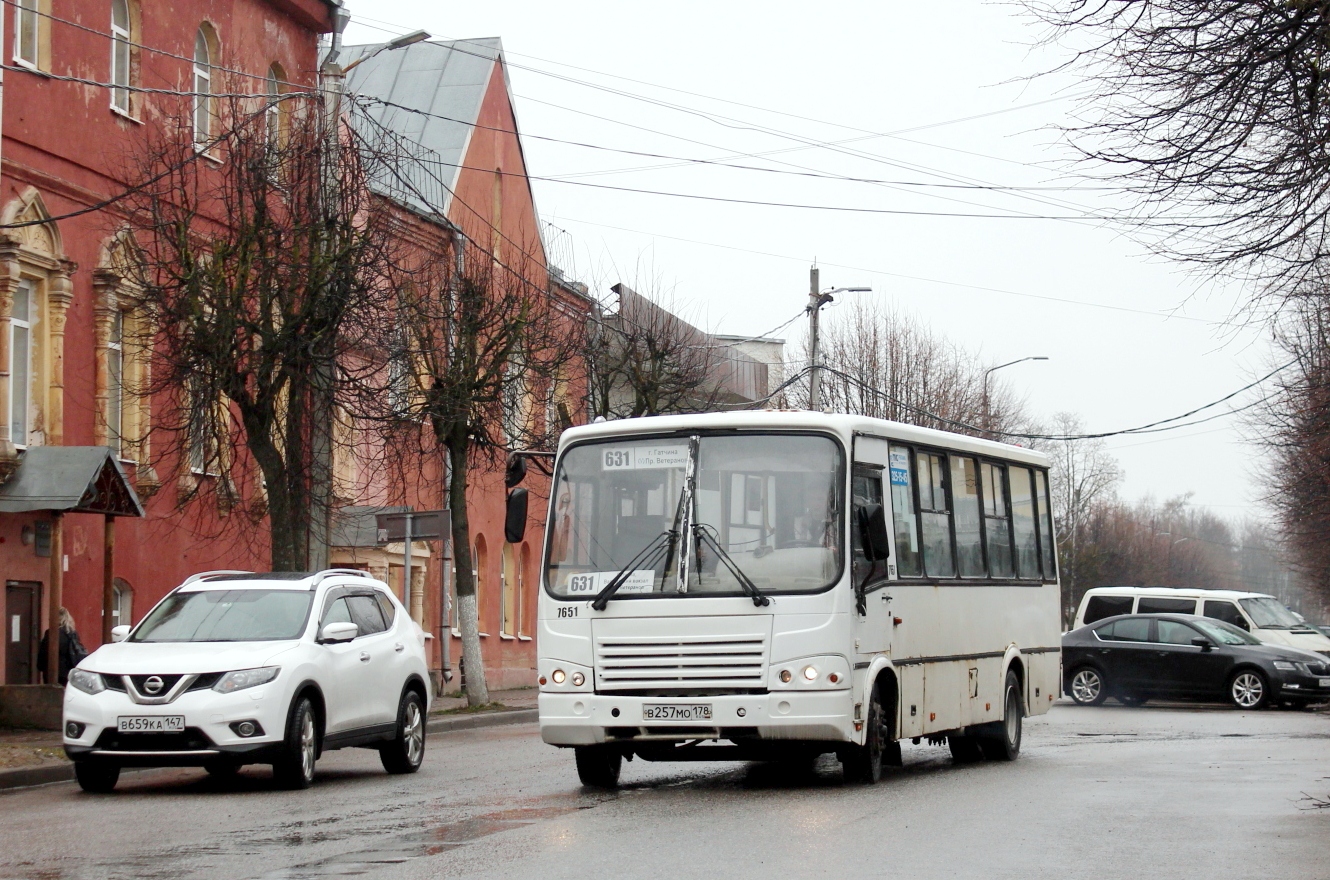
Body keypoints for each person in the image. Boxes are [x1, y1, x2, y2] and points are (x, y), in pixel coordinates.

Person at [38, 607, 88, 686]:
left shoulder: (50, 633)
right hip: (69, 671)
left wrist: (40, 666)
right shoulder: (72, 633)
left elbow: (43, 653)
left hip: (52, 672)